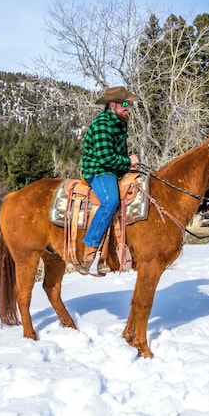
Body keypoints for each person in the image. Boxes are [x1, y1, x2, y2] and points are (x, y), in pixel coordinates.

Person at [78, 85, 140, 275]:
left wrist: (127, 165)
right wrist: (127, 161)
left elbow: (116, 154)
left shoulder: (120, 121)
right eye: (124, 104)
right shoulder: (102, 124)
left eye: (128, 103)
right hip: (98, 169)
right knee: (110, 201)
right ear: (112, 105)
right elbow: (105, 158)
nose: (128, 107)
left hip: (115, 168)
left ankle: (113, 252)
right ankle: (89, 251)